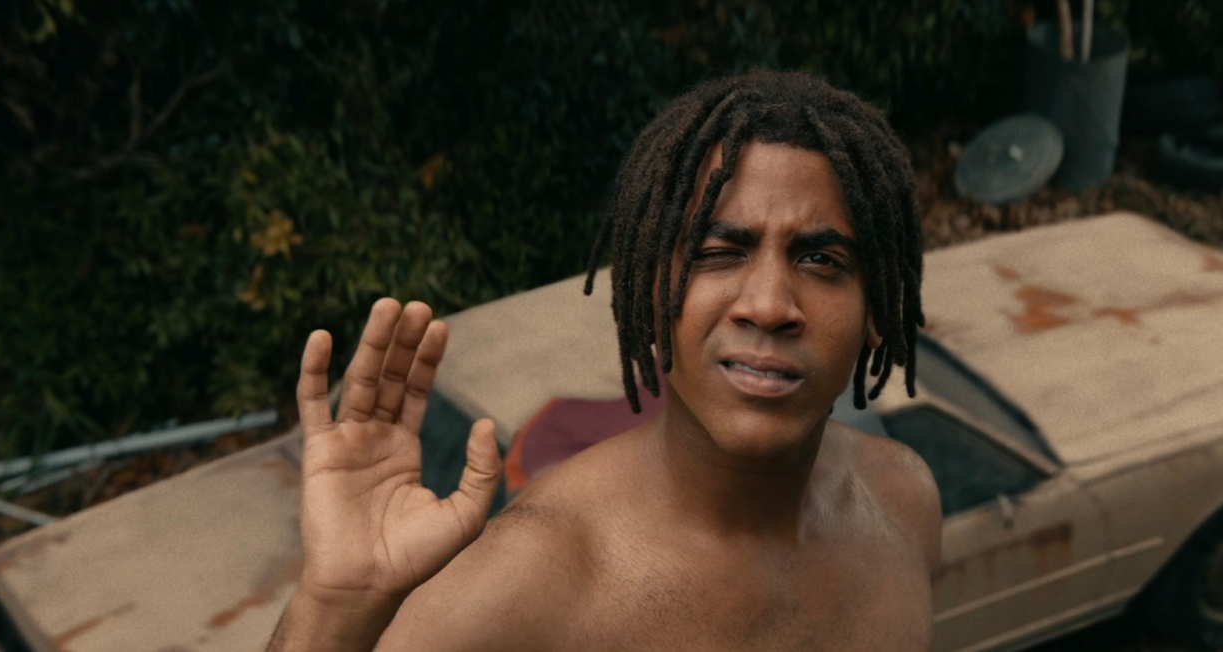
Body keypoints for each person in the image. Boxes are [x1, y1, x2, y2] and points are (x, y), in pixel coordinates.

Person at [268, 69, 941, 652]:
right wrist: (334, 607)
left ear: (877, 309)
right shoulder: (528, 579)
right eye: (716, 253)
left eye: (821, 259)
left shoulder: (902, 501)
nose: (768, 305)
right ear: (647, 290)